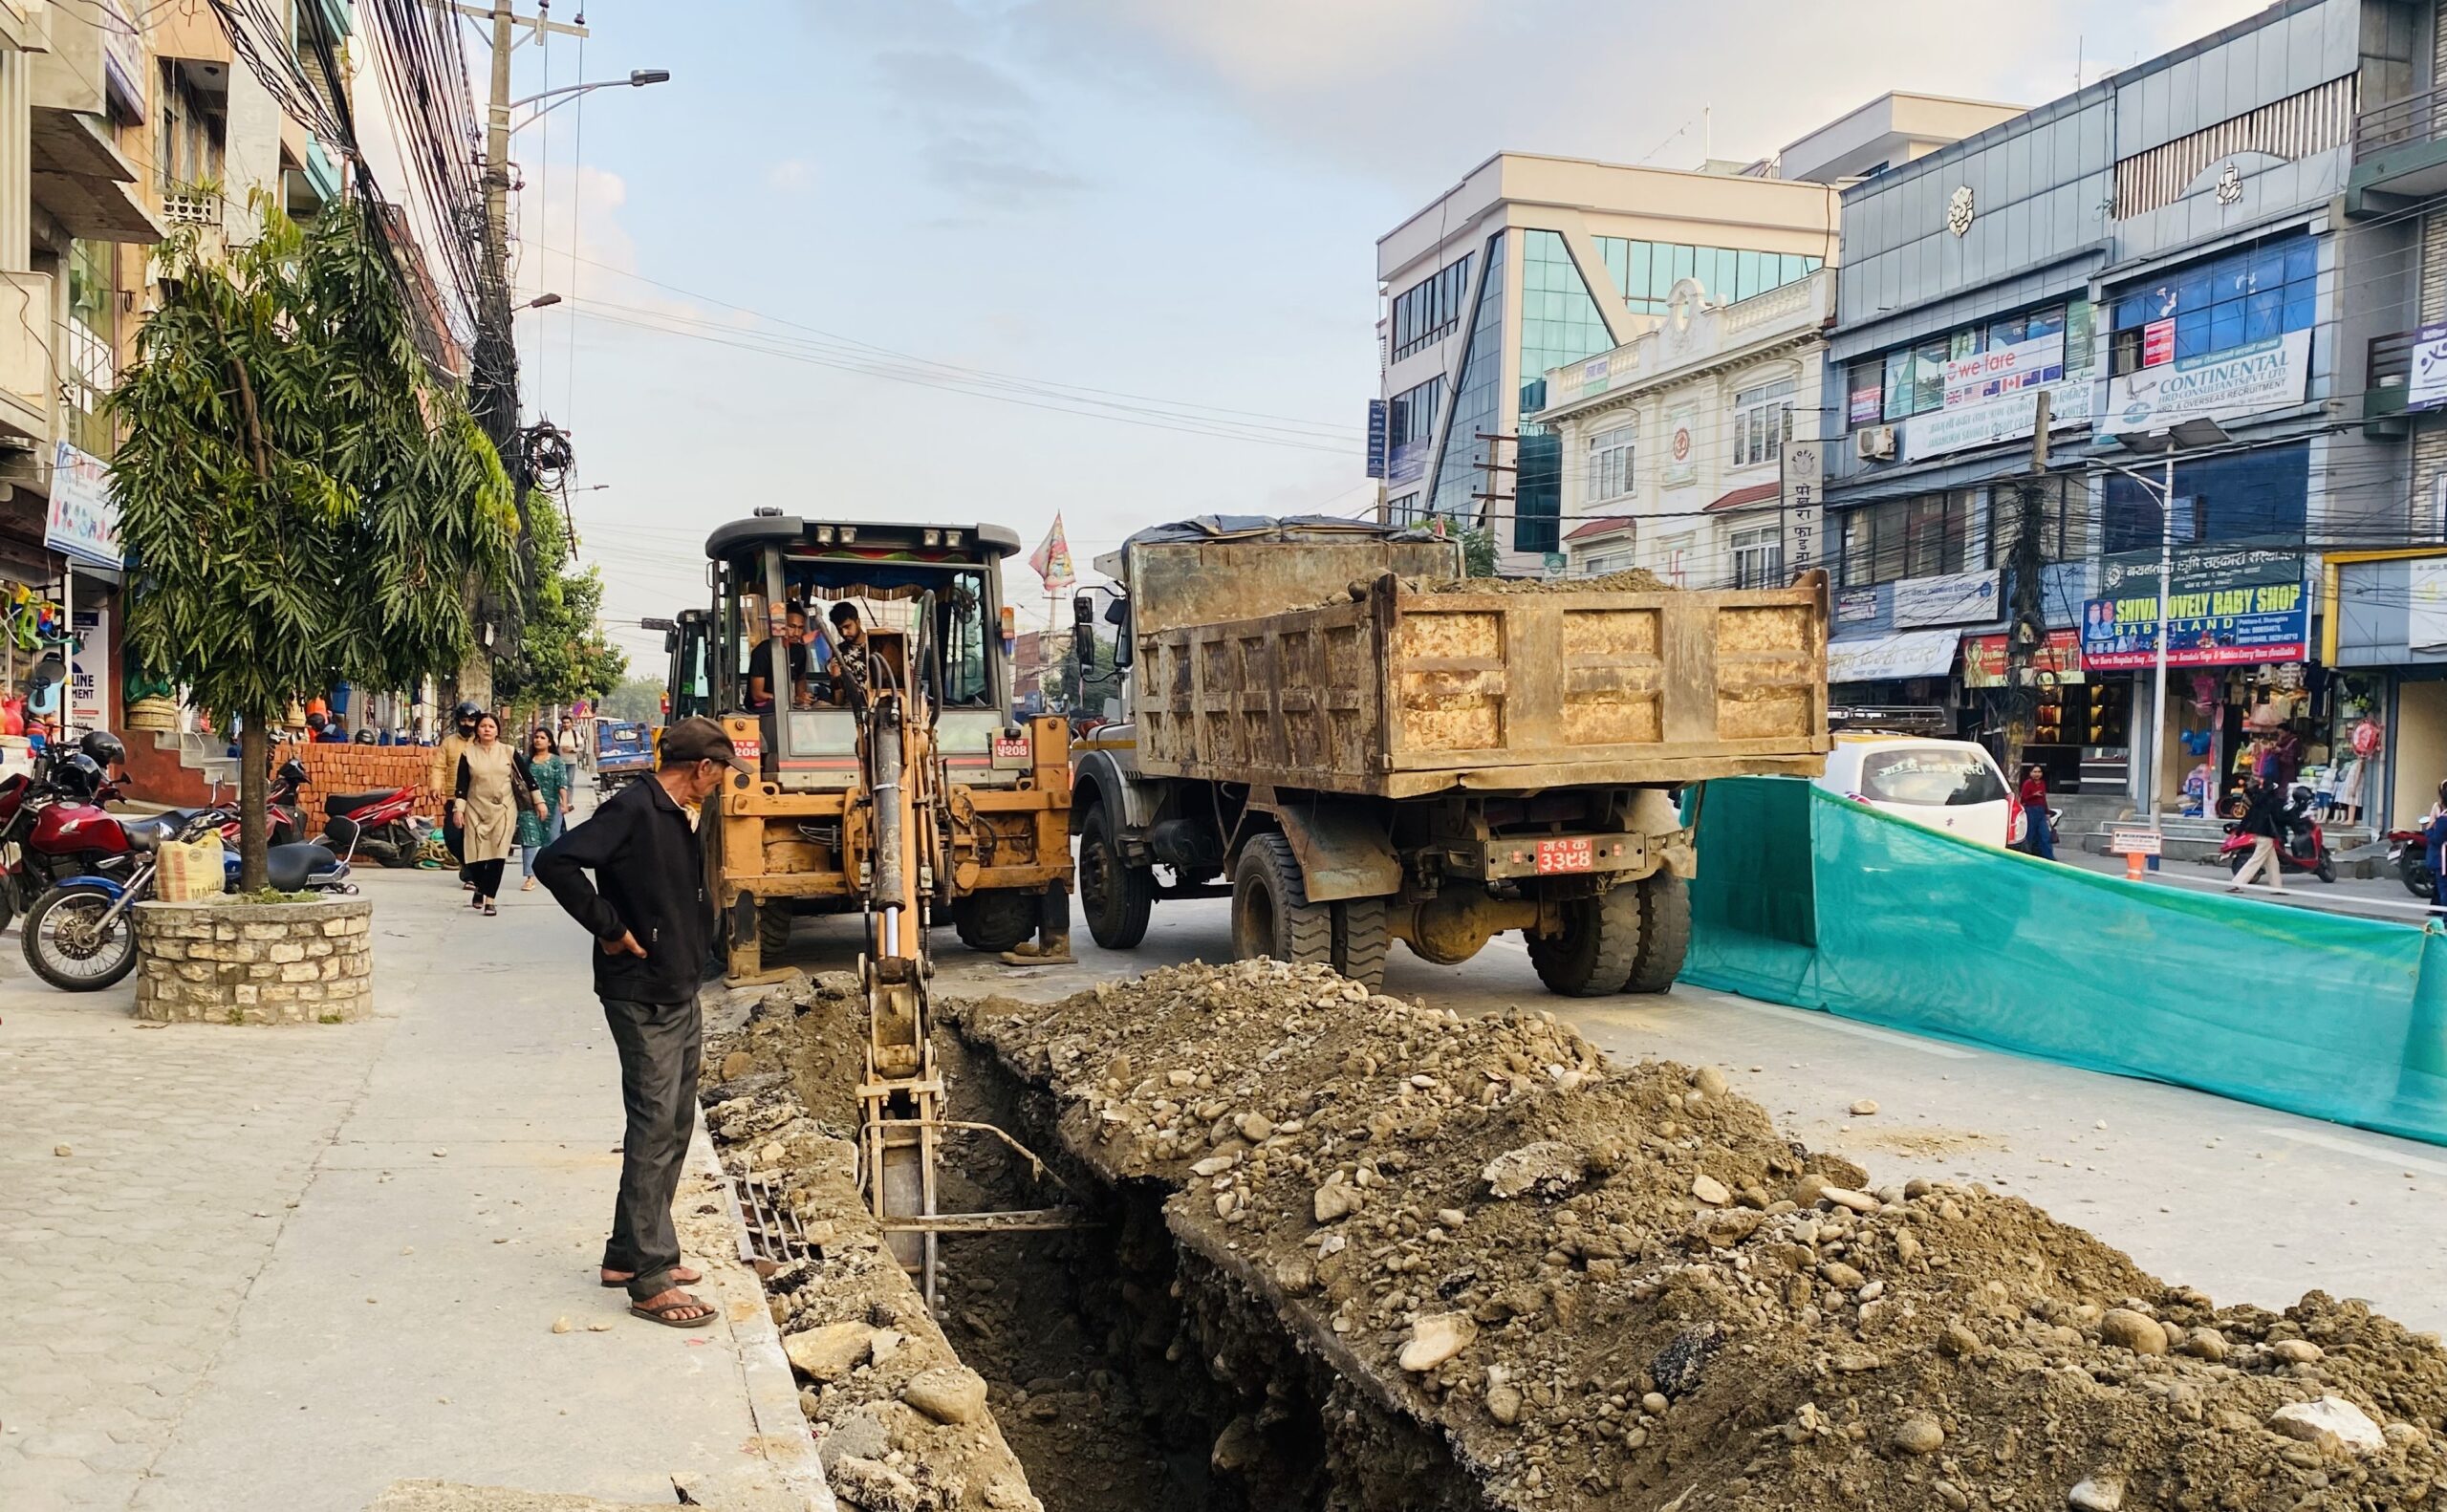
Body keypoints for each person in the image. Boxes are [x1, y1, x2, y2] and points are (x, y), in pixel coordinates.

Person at [534, 716, 749, 1328]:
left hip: (679, 989)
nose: (722, 784)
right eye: (720, 772)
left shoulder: (679, 814)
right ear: (700, 767)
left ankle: (628, 1253)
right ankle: (651, 1279)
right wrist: (609, 928)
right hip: (642, 994)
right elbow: (556, 861)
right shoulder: (635, 808)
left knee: (676, 1124)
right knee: (654, 1125)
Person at [452, 713, 529, 916]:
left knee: (498, 855)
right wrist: (458, 810)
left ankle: (490, 900)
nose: (487, 729)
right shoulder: (468, 754)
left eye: (491, 726)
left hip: (504, 809)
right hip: (476, 809)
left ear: (497, 730)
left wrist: (540, 803)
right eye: (483, 726)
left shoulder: (508, 752)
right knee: (474, 857)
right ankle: (480, 886)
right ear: (477, 729)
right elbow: (462, 785)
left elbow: (527, 779)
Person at [430, 700, 483, 887]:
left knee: (475, 839)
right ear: (457, 721)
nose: (467, 724)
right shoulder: (449, 743)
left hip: (478, 800)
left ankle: (471, 875)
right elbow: (439, 767)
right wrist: (436, 786)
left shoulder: (482, 742)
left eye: (471, 720)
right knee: (452, 838)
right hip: (454, 799)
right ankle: (467, 866)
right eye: (463, 720)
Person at [517, 725, 573, 891]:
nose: (538, 740)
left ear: (549, 742)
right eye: (536, 737)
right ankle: (530, 877)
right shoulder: (526, 761)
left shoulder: (556, 761)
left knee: (552, 840)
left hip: (552, 805)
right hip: (529, 806)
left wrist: (564, 804)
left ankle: (552, 873)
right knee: (529, 840)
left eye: (542, 737)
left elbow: (562, 783)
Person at [2230, 776, 2288, 893]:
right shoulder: (2273, 802)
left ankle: (2277, 887)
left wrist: (2240, 830)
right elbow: (2280, 818)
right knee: (2256, 860)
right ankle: (2238, 883)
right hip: (2267, 834)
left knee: (2272, 862)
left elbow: (2248, 817)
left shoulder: (2258, 800)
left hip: (2258, 833)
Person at [747, 606, 810, 711]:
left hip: (787, 707)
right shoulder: (763, 651)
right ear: (781, 626)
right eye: (791, 626)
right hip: (761, 709)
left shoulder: (800, 651)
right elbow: (757, 695)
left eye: (800, 628)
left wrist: (803, 698)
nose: (796, 633)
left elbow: (801, 679)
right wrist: (792, 699)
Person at [828, 601, 870, 707]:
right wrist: (835, 679)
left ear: (858, 622)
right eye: (839, 629)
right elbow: (838, 700)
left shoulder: (877, 644)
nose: (844, 633)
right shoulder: (838, 651)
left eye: (847, 627)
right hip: (849, 712)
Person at [2017, 766, 2054, 860]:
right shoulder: (2028, 783)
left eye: (2039, 772)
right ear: (2030, 773)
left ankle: (2049, 857)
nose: (2037, 774)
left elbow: (2043, 798)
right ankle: (2027, 856)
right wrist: (2034, 795)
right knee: (2030, 834)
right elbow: (2023, 798)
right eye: (2035, 772)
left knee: (2045, 834)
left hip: (2041, 811)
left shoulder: (2042, 783)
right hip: (2031, 810)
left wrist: (2047, 812)